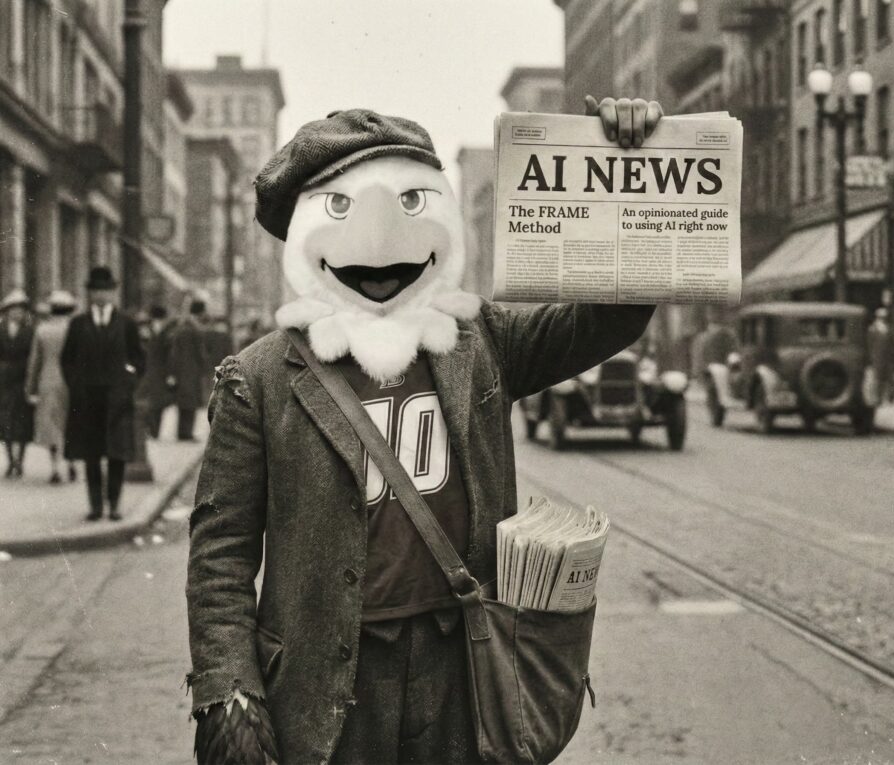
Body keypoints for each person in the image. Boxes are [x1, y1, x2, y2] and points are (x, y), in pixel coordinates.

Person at [186, 98, 662, 764]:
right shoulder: (259, 377)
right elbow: (221, 556)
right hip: (327, 685)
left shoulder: (479, 339)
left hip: (460, 669)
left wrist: (625, 166)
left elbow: (605, 321)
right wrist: (230, 690)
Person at [61, 267, 145, 521]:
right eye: (96, 291)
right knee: (92, 454)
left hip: (118, 399)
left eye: (106, 291)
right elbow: (67, 359)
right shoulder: (78, 324)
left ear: (113, 294)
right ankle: (96, 507)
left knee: (116, 453)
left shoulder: (126, 324)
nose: (101, 296)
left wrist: (128, 381)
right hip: (87, 399)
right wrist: (76, 385)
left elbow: (139, 358)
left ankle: (115, 505)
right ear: (90, 294)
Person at [25, 290, 77, 483]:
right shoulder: (75, 329)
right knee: (70, 421)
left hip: (48, 379)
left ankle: (55, 467)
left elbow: (34, 362)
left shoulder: (42, 330)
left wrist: (30, 388)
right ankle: (71, 462)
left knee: (52, 423)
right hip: (72, 380)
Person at [0, 289, 35, 478]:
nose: (17, 313)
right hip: (4, 381)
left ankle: (20, 460)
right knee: (5, 421)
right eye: (14, 310)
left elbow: (33, 355)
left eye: (21, 310)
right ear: (7, 311)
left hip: (23, 380)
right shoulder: (1, 329)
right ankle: (9, 460)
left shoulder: (30, 331)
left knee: (22, 423)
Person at [167, 300, 208, 441]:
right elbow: (200, 352)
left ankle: (182, 432)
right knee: (190, 403)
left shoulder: (182, 328)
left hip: (181, 370)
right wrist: (203, 365)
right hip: (191, 370)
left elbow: (174, 351)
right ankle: (186, 433)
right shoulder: (194, 329)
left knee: (184, 403)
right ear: (200, 312)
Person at [139, 305, 173, 438]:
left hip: (155, 372)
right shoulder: (150, 331)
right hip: (153, 371)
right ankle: (151, 430)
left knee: (156, 402)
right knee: (152, 402)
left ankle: (153, 431)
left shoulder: (161, 331)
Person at [865, 307, 894, 405]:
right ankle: (878, 399)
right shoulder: (872, 329)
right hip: (877, 357)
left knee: (889, 379)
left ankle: (888, 398)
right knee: (878, 379)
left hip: (888, 358)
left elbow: (893, 345)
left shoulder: (889, 329)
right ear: (877, 317)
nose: (883, 319)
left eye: (885, 317)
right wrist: (870, 357)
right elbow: (869, 345)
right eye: (881, 317)